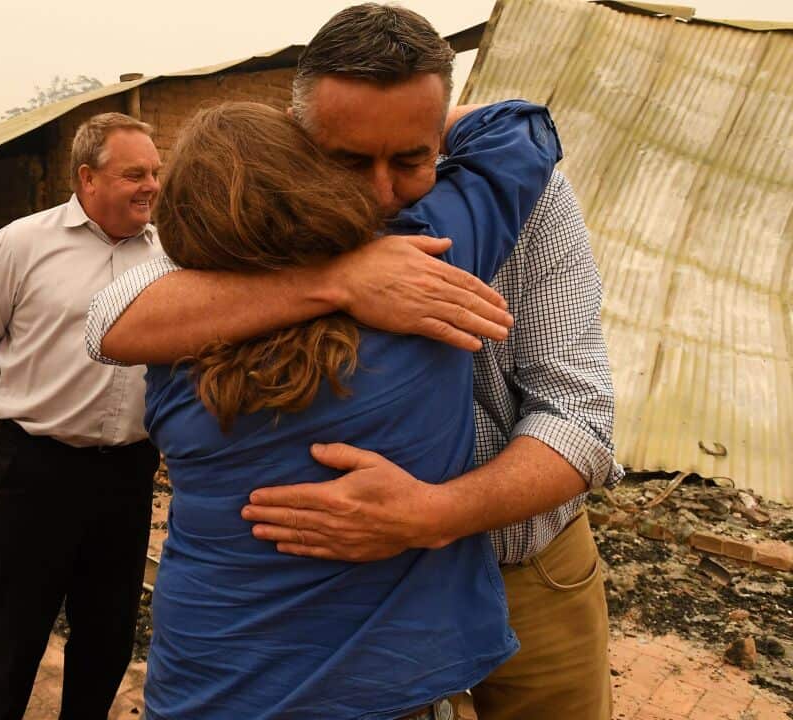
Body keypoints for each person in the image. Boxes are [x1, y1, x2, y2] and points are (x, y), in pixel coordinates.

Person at [87, 5, 622, 719]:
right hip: (361, 594)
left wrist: (434, 513)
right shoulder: (265, 214)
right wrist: (337, 279)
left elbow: (580, 416)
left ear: (442, 137)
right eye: (346, 160)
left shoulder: (531, 200)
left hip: (526, 566)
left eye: (410, 158)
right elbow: (113, 314)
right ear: (299, 137)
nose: (378, 193)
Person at [141, 98, 559, 720]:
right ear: (314, 187)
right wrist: (416, 121)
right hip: (377, 691)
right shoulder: (427, 266)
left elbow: (114, 317)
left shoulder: (169, 353)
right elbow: (522, 130)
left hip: (205, 682)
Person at [0, 112, 164, 720]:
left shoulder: (172, 254)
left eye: (154, 172)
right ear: (87, 178)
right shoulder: (22, 243)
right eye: (133, 174)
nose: (149, 185)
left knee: (108, 632)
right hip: (38, 471)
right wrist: (28, 405)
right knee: (15, 633)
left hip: (127, 472)